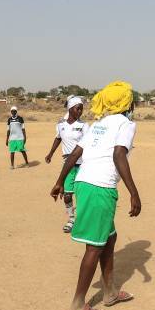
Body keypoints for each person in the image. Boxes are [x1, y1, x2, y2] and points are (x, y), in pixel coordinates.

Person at [50, 80, 141, 310]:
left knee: (110, 238)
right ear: (126, 102)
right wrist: (134, 192)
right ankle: (78, 305)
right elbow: (119, 153)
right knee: (95, 246)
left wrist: (60, 181)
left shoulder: (98, 124)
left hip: (84, 182)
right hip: (100, 187)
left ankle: (110, 292)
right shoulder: (126, 124)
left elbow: (75, 154)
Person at [45, 96, 90, 233]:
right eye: (78, 108)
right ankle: (71, 218)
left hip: (83, 164)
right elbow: (58, 139)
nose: (80, 111)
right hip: (68, 165)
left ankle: (83, 220)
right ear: (70, 108)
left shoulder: (84, 126)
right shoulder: (61, 124)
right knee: (67, 195)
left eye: (82, 109)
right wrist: (51, 153)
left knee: (82, 195)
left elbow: (89, 145)